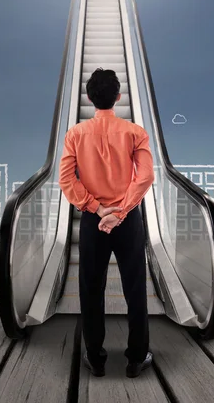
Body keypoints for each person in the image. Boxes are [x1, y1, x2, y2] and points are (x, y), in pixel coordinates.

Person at [59, 67, 155, 378]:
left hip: (92, 221)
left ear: (88, 98)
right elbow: (145, 177)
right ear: (118, 97)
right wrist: (121, 211)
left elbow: (65, 180)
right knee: (135, 287)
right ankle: (137, 357)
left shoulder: (75, 134)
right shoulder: (135, 132)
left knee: (90, 287)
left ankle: (96, 357)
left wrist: (98, 210)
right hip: (127, 221)